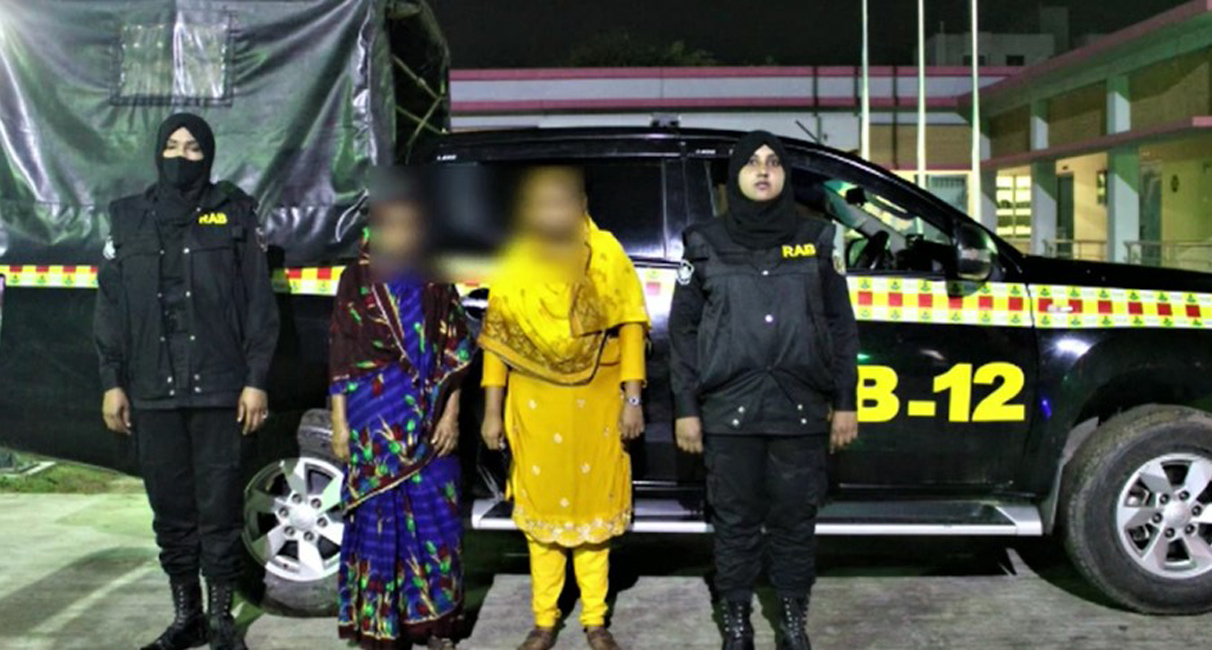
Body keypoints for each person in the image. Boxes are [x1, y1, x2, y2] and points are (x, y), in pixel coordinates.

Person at [668, 131, 860, 650]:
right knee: (734, 523)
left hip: (801, 408)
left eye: (774, 162)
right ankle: (737, 621)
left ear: (785, 175)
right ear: (735, 176)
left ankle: (793, 620)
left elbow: (841, 327)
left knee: (795, 522)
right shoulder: (704, 242)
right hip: (728, 410)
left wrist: (845, 401)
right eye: (751, 162)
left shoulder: (817, 240)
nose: (763, 170)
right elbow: (683, 332)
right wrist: (686, 408)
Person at [94, 112, 279, 650]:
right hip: (152, 390)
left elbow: (259, 305)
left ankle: (221, 621)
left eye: (193, 148)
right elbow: (110, 309)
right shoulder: (128, 217)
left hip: (220, 388)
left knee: (219, 510)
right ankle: (186, 619)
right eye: (172, 146)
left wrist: (256, 380)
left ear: (209, 155)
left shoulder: (235, 213)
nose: (181, 156)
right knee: (171, 512)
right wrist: (111, 381)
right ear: (158, 152)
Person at [479, 167, 649, 650]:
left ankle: (595, 620)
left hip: (598, 402)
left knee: (594, 517)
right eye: (542, 203)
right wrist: (492, 411)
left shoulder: (606, 254)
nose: (552, 212)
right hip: (534, 406)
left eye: (562, 202)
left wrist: (632, 400)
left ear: (581, 206)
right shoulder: (515, 261)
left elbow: (631, 327)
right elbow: (497, 343)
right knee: (544, 522)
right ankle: (544, 620)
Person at [328, 168, 475, 650]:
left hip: (432, 424)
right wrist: (339, 425)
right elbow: (341, 357)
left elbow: (456, 349)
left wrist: (451, 415)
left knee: (436, 521)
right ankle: (380, 624)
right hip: (373, 424)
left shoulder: (435, 278)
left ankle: (435, 625)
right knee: (377, 522)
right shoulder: (356, 279)